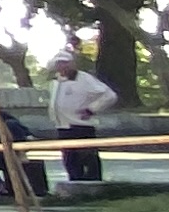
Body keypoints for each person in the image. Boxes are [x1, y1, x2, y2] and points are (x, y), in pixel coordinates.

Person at [47, 56, 118, 189]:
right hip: (63, 126)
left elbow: (109, 95)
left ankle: (94, 187)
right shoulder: (56, 82)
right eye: (60, 64)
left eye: (66, 63)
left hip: (80, 126)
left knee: (87, 159)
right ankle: (75, 186)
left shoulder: (84, 78)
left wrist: (91, 109)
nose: (63, 67)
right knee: (70, 160)